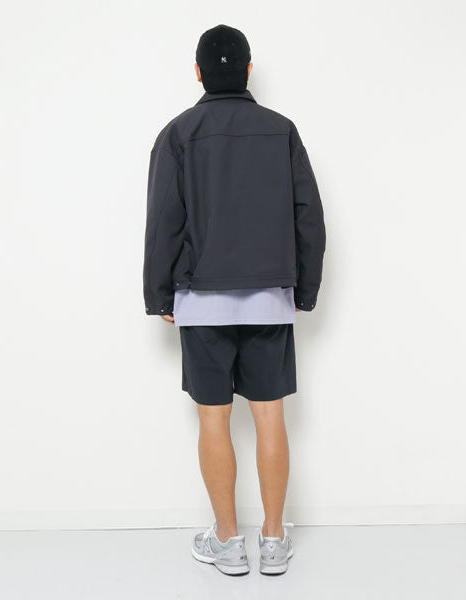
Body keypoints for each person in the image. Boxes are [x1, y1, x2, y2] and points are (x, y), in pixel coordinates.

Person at [143, 24, 326, 576]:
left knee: (214, 420)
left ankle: (228, 541)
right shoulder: (282, 130)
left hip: (202, 303)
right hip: (269, 299)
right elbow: (309, 216)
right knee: (271, 418)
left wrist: (159, 294)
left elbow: (163, 220)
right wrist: (305, 290)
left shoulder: (178, 133)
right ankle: (272, 540)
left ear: (198, 72)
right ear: (248, 70)